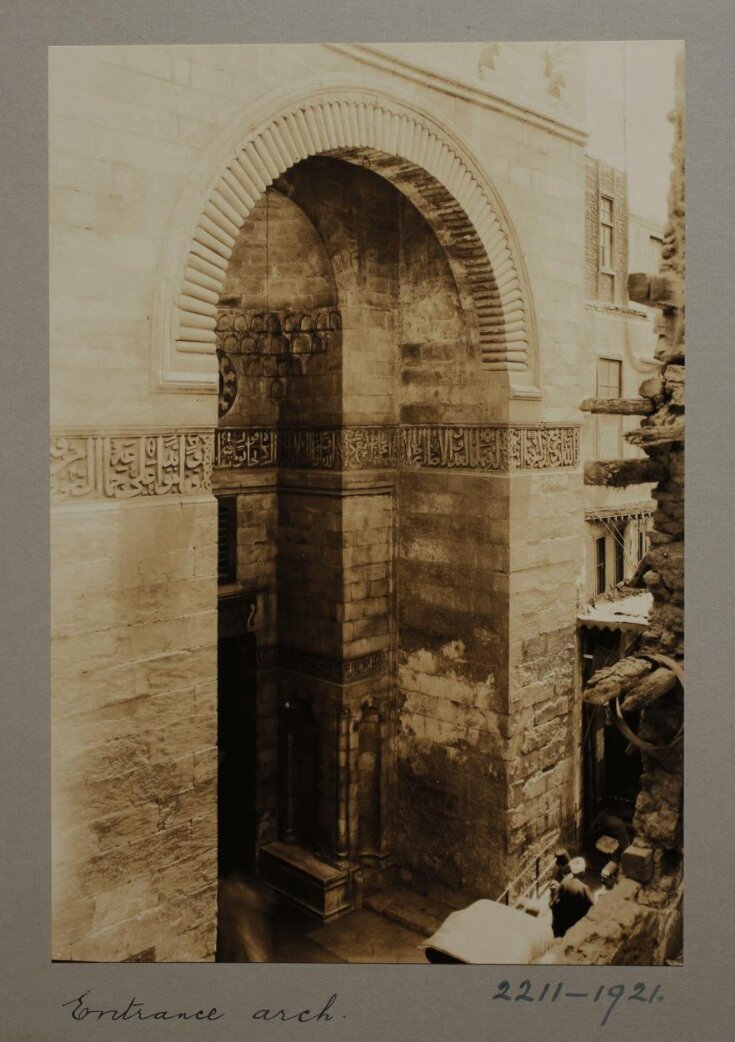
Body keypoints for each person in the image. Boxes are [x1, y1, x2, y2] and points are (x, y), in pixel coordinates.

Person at [549, 856, 595, 938]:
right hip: (575, 926)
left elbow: (555, 903)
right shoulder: (583, 888)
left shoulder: (564, 882)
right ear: (582, 872)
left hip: (562, 925)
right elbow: (593, 907)